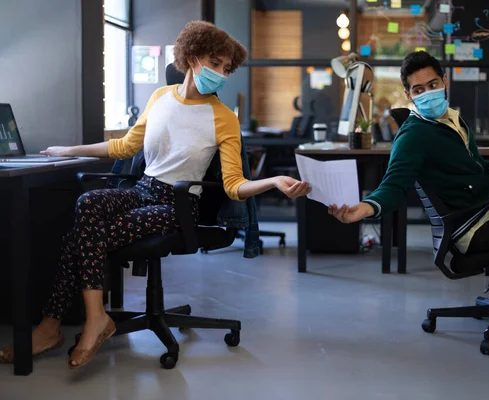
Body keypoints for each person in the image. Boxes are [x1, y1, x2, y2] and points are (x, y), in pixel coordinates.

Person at [0, 21, 311, 369]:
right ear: (191, 57)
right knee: (87, 204)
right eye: (216, 63)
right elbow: (125, 146)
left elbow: (233, 186)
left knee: (85, 237)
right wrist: (68, 149)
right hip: (143, 189)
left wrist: (273, 181)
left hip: (177, 203)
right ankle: (92, 319)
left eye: (227, 68)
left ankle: (56, 326)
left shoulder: (223, 118)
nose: (222, 74)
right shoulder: (161, 98)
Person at [328, 51, 489, 254]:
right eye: (419, 90)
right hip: (470, 224)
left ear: (445, 81)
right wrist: (365, 208)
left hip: (486, 208)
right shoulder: (413, 134)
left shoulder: (454, 119)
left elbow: (474, 167)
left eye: (433, 85)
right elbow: (394, 184)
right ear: (408, 94)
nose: (428, 93)